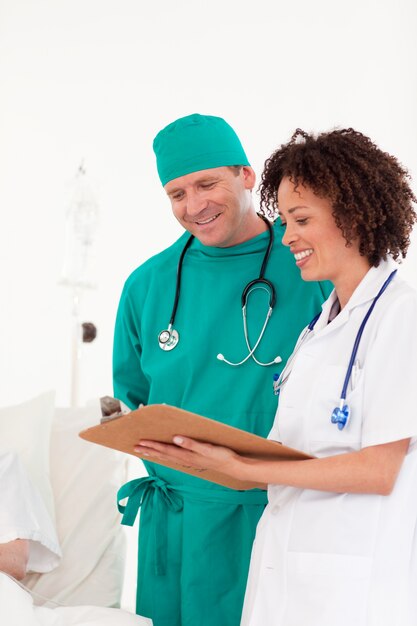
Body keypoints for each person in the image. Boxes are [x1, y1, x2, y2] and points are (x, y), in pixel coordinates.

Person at [135, 128, 417, 626]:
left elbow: (379, 469)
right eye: (286, 220)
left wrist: (244, 470)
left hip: (352, 574)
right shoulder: (322, 325)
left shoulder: (401, 315)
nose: (287, 237)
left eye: (301, 219)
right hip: (288, 562)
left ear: (352, 214)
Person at [112, 113, 331, 626]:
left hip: (271, 511)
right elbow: (134, 397)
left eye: (207, 183)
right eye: (177, 194)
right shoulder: (146, 285)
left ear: (247, 176)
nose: (194, 205)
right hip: (177, 520)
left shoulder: (311, 265)